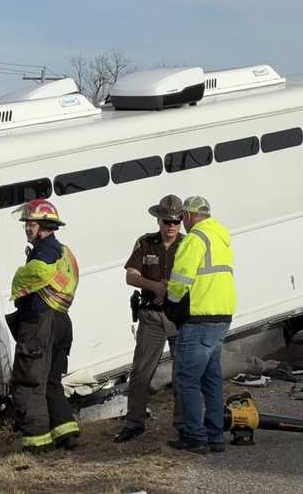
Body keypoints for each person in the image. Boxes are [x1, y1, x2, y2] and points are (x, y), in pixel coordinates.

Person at [165, 195, 235, 455]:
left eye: (183, 217)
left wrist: (171, 303)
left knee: (187, 379)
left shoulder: (195, 239)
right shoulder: (220, 237)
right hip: (221, 316)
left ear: (188, 216)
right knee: (211, 379)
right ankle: (215, 436)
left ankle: (195, 436)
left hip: (199, 316)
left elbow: (181, 278)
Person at [9, 199, 81, 451]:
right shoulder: (61, 250)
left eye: (31, 224)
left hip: (41, 324)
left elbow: (37, 273)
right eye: (27, 224)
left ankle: (37, 442)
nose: (27, 228)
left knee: (30, 382)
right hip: (61, 321)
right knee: (51, 380)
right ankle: (66, 432)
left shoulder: (44, 251)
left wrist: (18, 279)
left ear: (44, 226)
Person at [114, 194, 185, 443]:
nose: (171, 226)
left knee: (183, 373)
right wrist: (156, 287)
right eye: (167, 221)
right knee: (141, 372)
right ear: (159, 220)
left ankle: (183, 424)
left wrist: (170, 288)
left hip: (179, 317)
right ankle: (134, 423)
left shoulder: (188, 244)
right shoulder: (146, 243)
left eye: (176, 221)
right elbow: (131, 276)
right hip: (151, 317)